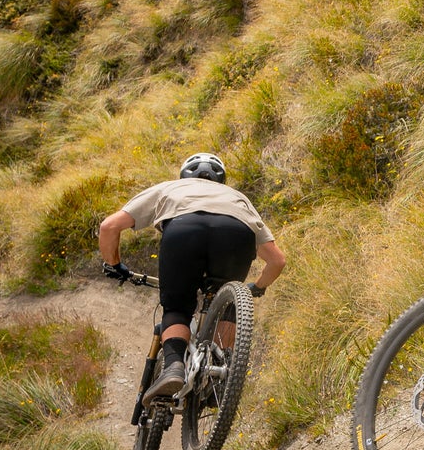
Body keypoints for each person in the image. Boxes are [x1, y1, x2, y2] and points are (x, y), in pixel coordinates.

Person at [98, 152, 286, 402]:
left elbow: (109, 227)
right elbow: (277, 261)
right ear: (221, 180)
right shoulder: (238, 198)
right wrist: (258, 287)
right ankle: (219, 378)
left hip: (184, 231)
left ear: (184, 175)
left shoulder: (170, 188)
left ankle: (173, 367)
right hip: (236, 234)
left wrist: (115, 265)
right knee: (227, 307)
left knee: (177, 307)